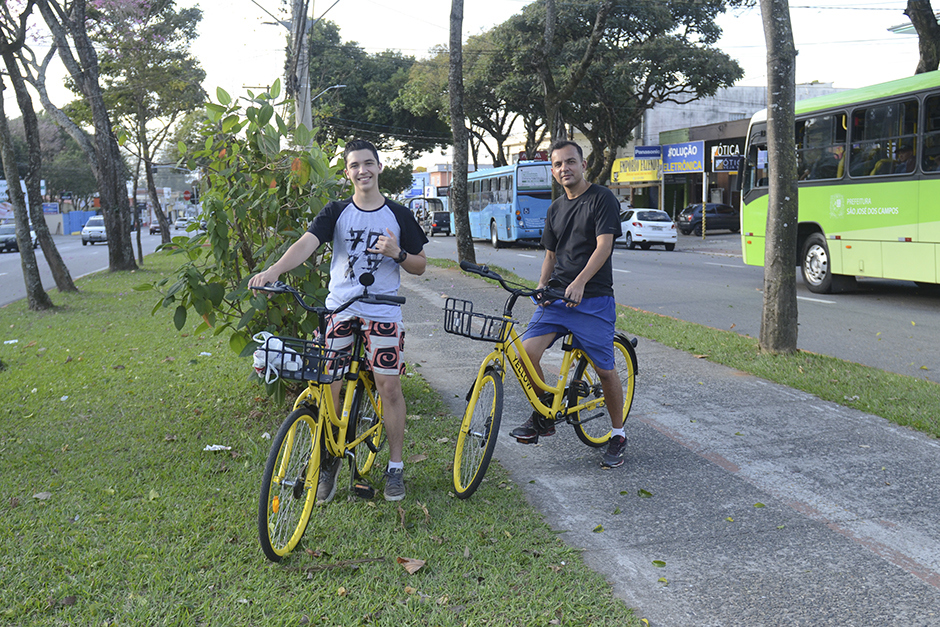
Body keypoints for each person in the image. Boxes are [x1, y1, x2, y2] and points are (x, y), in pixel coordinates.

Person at [248, 139, 428, 502]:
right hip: (340, 309)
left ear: (379, 168)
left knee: (388, 387)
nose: (362, 170)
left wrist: (398, 252)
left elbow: (420, 265)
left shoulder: (397, 215)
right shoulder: (336, 211)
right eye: (354, 165)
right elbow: (306, 244)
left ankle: (395, 466)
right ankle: (329, 455)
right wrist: (273, 270)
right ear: (347, 173)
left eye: (368, 163)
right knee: (327, 383)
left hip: (383, 310)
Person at [508, 140, 627, 469]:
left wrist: (580, 282)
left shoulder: (601, 199)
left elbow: (604, 246)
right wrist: (542, 285)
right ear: (553, 169)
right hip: (557, 298)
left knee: (604, 370)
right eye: (558, 164)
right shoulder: (555, 208)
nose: (564, 169)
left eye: (570, 162)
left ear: (583, 164)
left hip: (594, 298)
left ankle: (618, 434)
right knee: (523, 354)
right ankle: (545, 410)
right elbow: (550, 255)